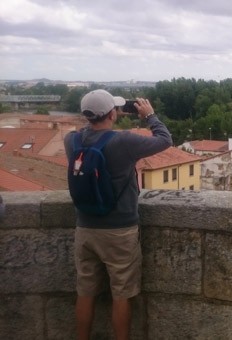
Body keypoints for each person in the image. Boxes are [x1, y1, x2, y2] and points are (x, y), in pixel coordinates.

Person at [64, 89, 173, 340]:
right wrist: (150, 116)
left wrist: (103, 116)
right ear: (113, 113)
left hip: (85, 227)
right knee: (122, 293)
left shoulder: (72, 141)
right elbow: (165, 139)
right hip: (120, 230)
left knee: (85, 292)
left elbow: (88, 131)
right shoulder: (124, 142)